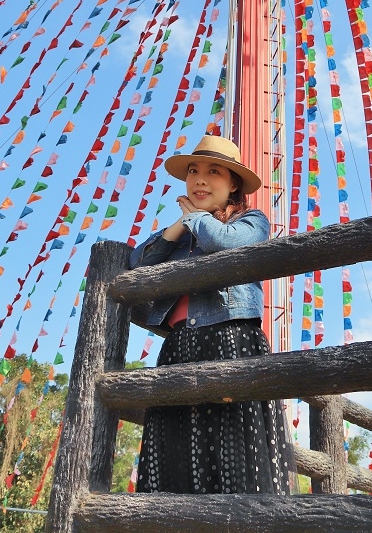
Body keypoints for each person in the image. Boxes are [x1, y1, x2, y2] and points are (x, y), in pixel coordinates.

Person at [129, 134, 292, 495]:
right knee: (174, 447)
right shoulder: (183, 234)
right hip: (179, 344)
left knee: (233, 447)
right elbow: (136, 264)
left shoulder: (253, 220)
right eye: (193, 170)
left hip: (231, 338)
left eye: (214, 171)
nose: (200, 179)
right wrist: (177, 228)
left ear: (233, 183)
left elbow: (227, 242)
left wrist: (197, 218)